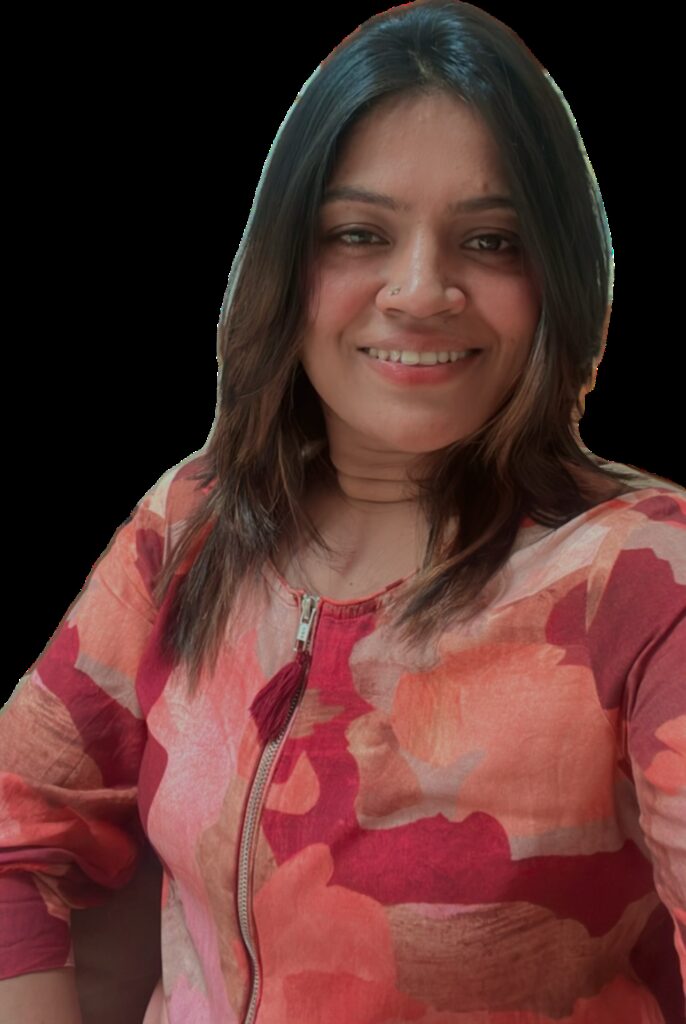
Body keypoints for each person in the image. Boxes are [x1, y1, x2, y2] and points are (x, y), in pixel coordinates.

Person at [2, 2, 685, 1022]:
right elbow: (16, 830)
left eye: (490, 241)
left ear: (558, 276)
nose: (419, 290)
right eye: (359, 234)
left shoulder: (643, 580)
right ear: (287, 264)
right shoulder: (191, 525)